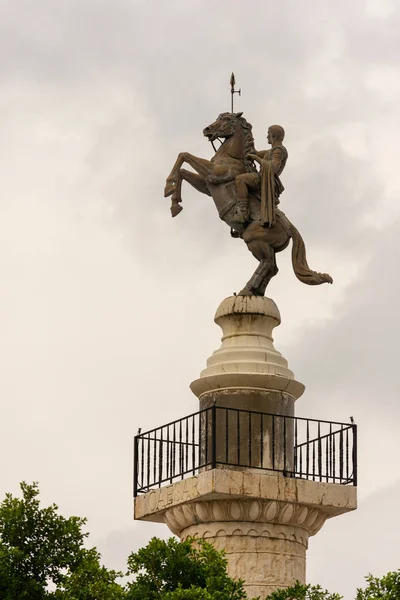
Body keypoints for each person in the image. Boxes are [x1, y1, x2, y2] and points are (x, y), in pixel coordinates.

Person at [231, 125, 288, 226]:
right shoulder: (271, 151)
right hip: (263, 177)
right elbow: (255, 153)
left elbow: (273, 168)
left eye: (268, 134)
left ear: (273, 135)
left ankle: (243, 212)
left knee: (240, 179)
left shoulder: (278, 151)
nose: (267, 137)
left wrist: (255, 158)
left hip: (265, 179)